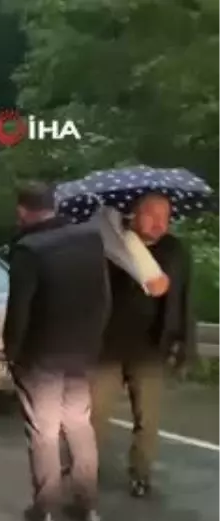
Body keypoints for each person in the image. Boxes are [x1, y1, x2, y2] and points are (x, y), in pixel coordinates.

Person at [3, 182, 110, 521]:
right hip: (82, 352)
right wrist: (94, 341)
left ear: (22, 211)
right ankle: (88, 504)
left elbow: (19, 310)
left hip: (42, 355)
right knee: (79, 424)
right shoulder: (90, 239)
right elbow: (104, 298)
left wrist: (12, 352)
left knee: (44, 429)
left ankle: (45, 506)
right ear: (54, 205)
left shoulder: (28, 250)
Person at [89, 193, 195, 498]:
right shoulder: (111, 244)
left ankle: (141, 473)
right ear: (133, 215)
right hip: (106, 347)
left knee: (147, 418)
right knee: (95, 414)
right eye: (151, 215)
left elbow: (185, 300)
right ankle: (84, 467)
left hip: (151, 347)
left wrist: (185, 346)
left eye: (166, 216)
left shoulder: (175, 251)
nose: (160, 223)